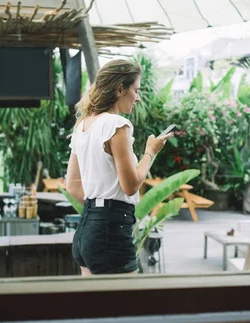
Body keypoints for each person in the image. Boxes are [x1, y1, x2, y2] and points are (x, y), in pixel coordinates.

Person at [66, 59, 172, 276]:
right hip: (110, 232)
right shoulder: (116, 125)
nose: (138, 97)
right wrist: (150, 152)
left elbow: (73, 187)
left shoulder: (82, 126)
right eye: (136, 90)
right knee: (126, 306)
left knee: (97, 308)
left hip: (86, 230)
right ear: (119, 89)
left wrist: (98, 209)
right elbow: (131, 186)